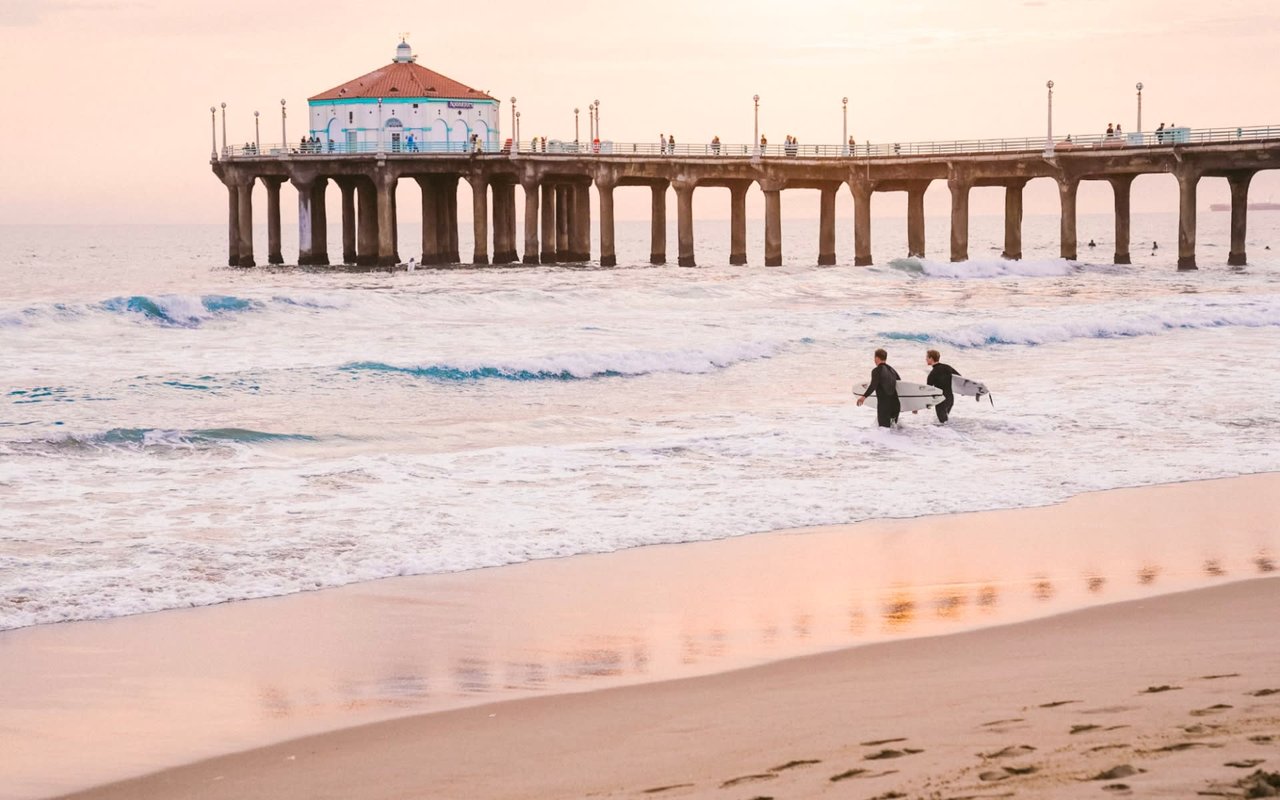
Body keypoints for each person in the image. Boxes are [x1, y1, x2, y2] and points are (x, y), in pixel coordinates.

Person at [856, 348, 901, 429]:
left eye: (874, 358)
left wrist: (863, 397)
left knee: (884, 432)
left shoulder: (876, 371)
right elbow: (901, 385)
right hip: (896, 405)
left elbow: (873, 385)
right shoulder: (892, 370)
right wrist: (913, 405)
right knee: (894, 432)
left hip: (884, 406)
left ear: (877, 358)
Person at [925, 349, 960, 424]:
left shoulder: (932, 374)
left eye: (927, 357)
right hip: (950, 399)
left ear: (931, 358)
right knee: (945, 423)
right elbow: (959, 378)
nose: (926, 359)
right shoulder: (948, 367)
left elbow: (928, 390)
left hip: (940, 400)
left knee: (943, 424)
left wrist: (927, 403)